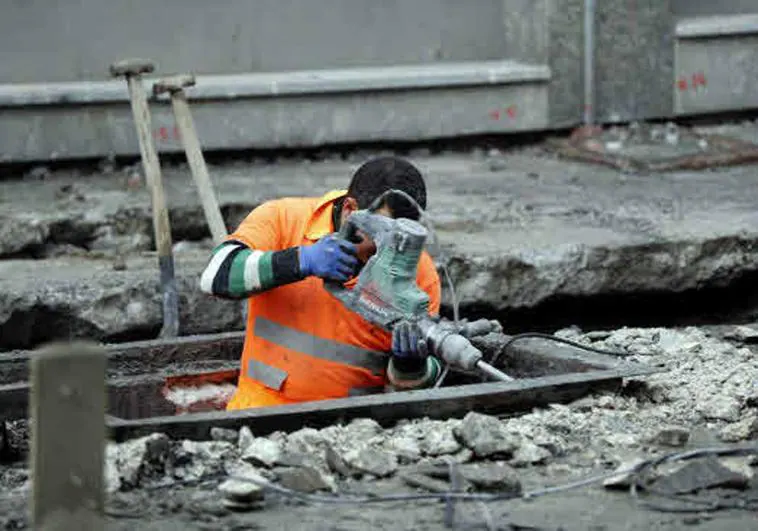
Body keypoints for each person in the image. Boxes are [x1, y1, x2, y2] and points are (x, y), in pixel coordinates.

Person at [200, 156, 442, 410]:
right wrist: (299, 260)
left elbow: (411, 394)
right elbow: (215, 275)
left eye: (400, 242)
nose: (389, 253)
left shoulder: (417, 273)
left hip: (355, 429)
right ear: (350, 211)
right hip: (260, 415)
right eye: (381, 238)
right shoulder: (284, 220)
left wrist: (411, 367)